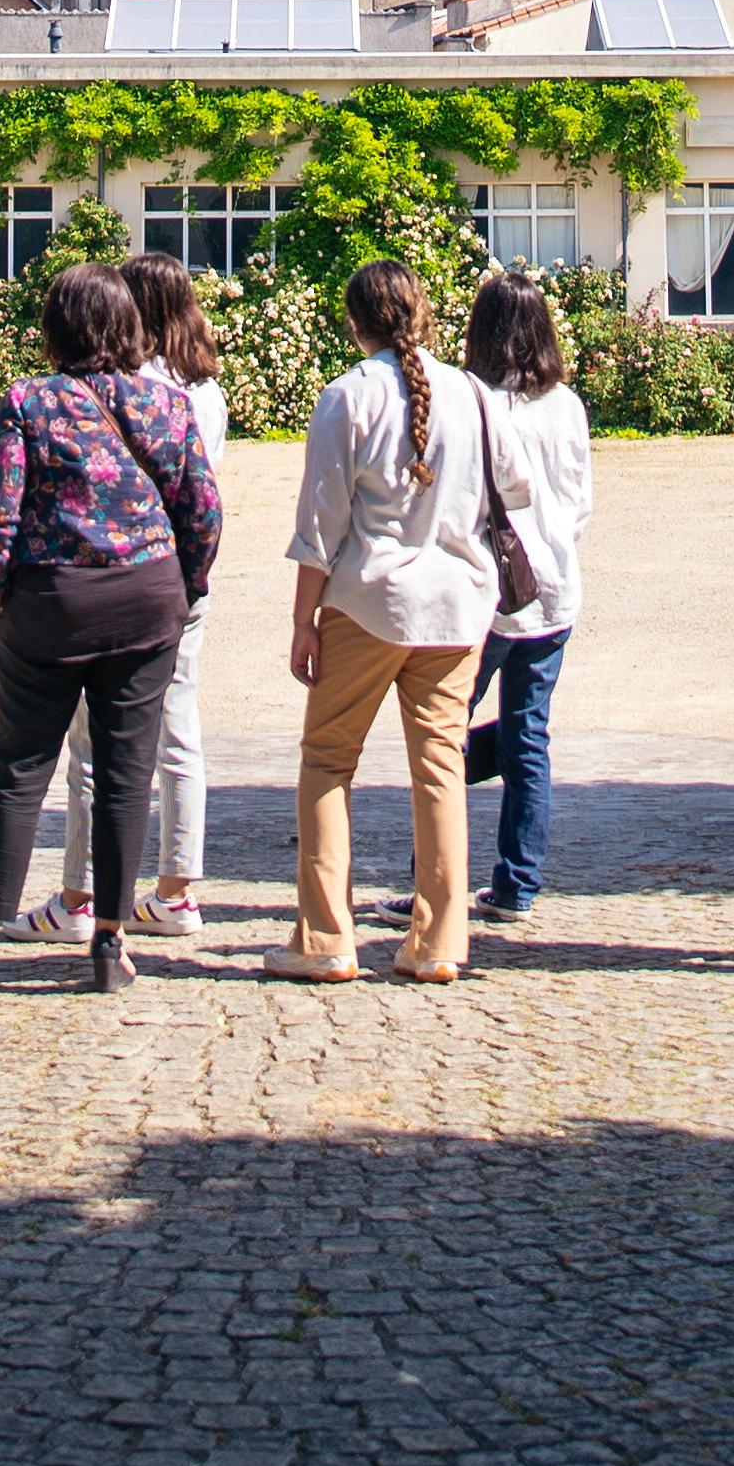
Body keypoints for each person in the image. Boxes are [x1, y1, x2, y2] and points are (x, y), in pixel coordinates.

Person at [0, 258, 222, 1000]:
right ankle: (110, 945)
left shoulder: (28, 402)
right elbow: (203, 511)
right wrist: (180, 588)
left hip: (52, 601)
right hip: (146, 597)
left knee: (19, 769)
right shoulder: (167, 406)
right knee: (127, 775)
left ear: (55, 327)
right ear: (128, 325)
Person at [271, 257, 497, 986]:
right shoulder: (472, 394)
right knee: (440, 770)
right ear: (424, 314)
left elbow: (320, 528)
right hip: (457, 604)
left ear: (353, 321)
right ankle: (438, 942)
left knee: (328, 763)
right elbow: (512, 491)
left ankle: (326, 938)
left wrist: (304, 621)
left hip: (369, 603)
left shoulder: (347, 397)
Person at [21, 249, 229, 945]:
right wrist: (192, 581)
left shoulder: (129, 389)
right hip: (177, 579)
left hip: (118, 573)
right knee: (178, 733)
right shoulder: (203, 388)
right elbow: (204, 499)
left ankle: (81, 897)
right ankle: (176, 887)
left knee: (91, 748)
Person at [459, 267, 593, 922]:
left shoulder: (473, 399)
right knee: (529, 738)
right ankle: (518, 883)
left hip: (485, 594)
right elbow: (579, 502)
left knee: (441, 732)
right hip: (553, 591)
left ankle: (434, 878)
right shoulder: (565, 404)